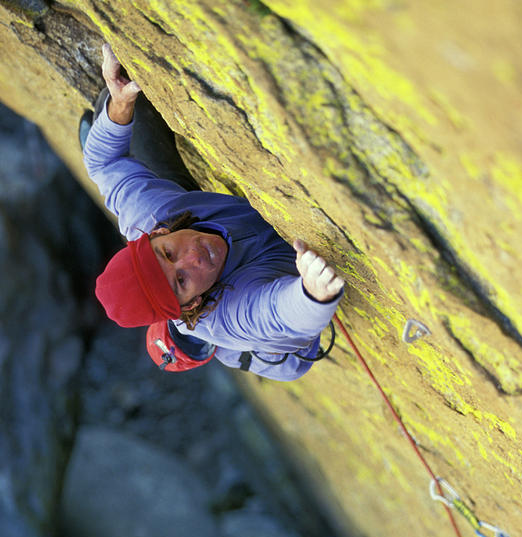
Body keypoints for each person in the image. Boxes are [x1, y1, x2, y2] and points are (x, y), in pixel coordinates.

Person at [82, 44, 345, 380]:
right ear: (190, 304)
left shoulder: (147, 215)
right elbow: (279, 315)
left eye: (168, 252)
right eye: (181, 281)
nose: (192, 258)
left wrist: (119, 105)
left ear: (157, 234)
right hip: (280, 326)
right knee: (263, 341)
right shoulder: (228, 314)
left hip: (190, 213)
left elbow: (103, 162)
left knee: (130, 107)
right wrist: (314, 292)